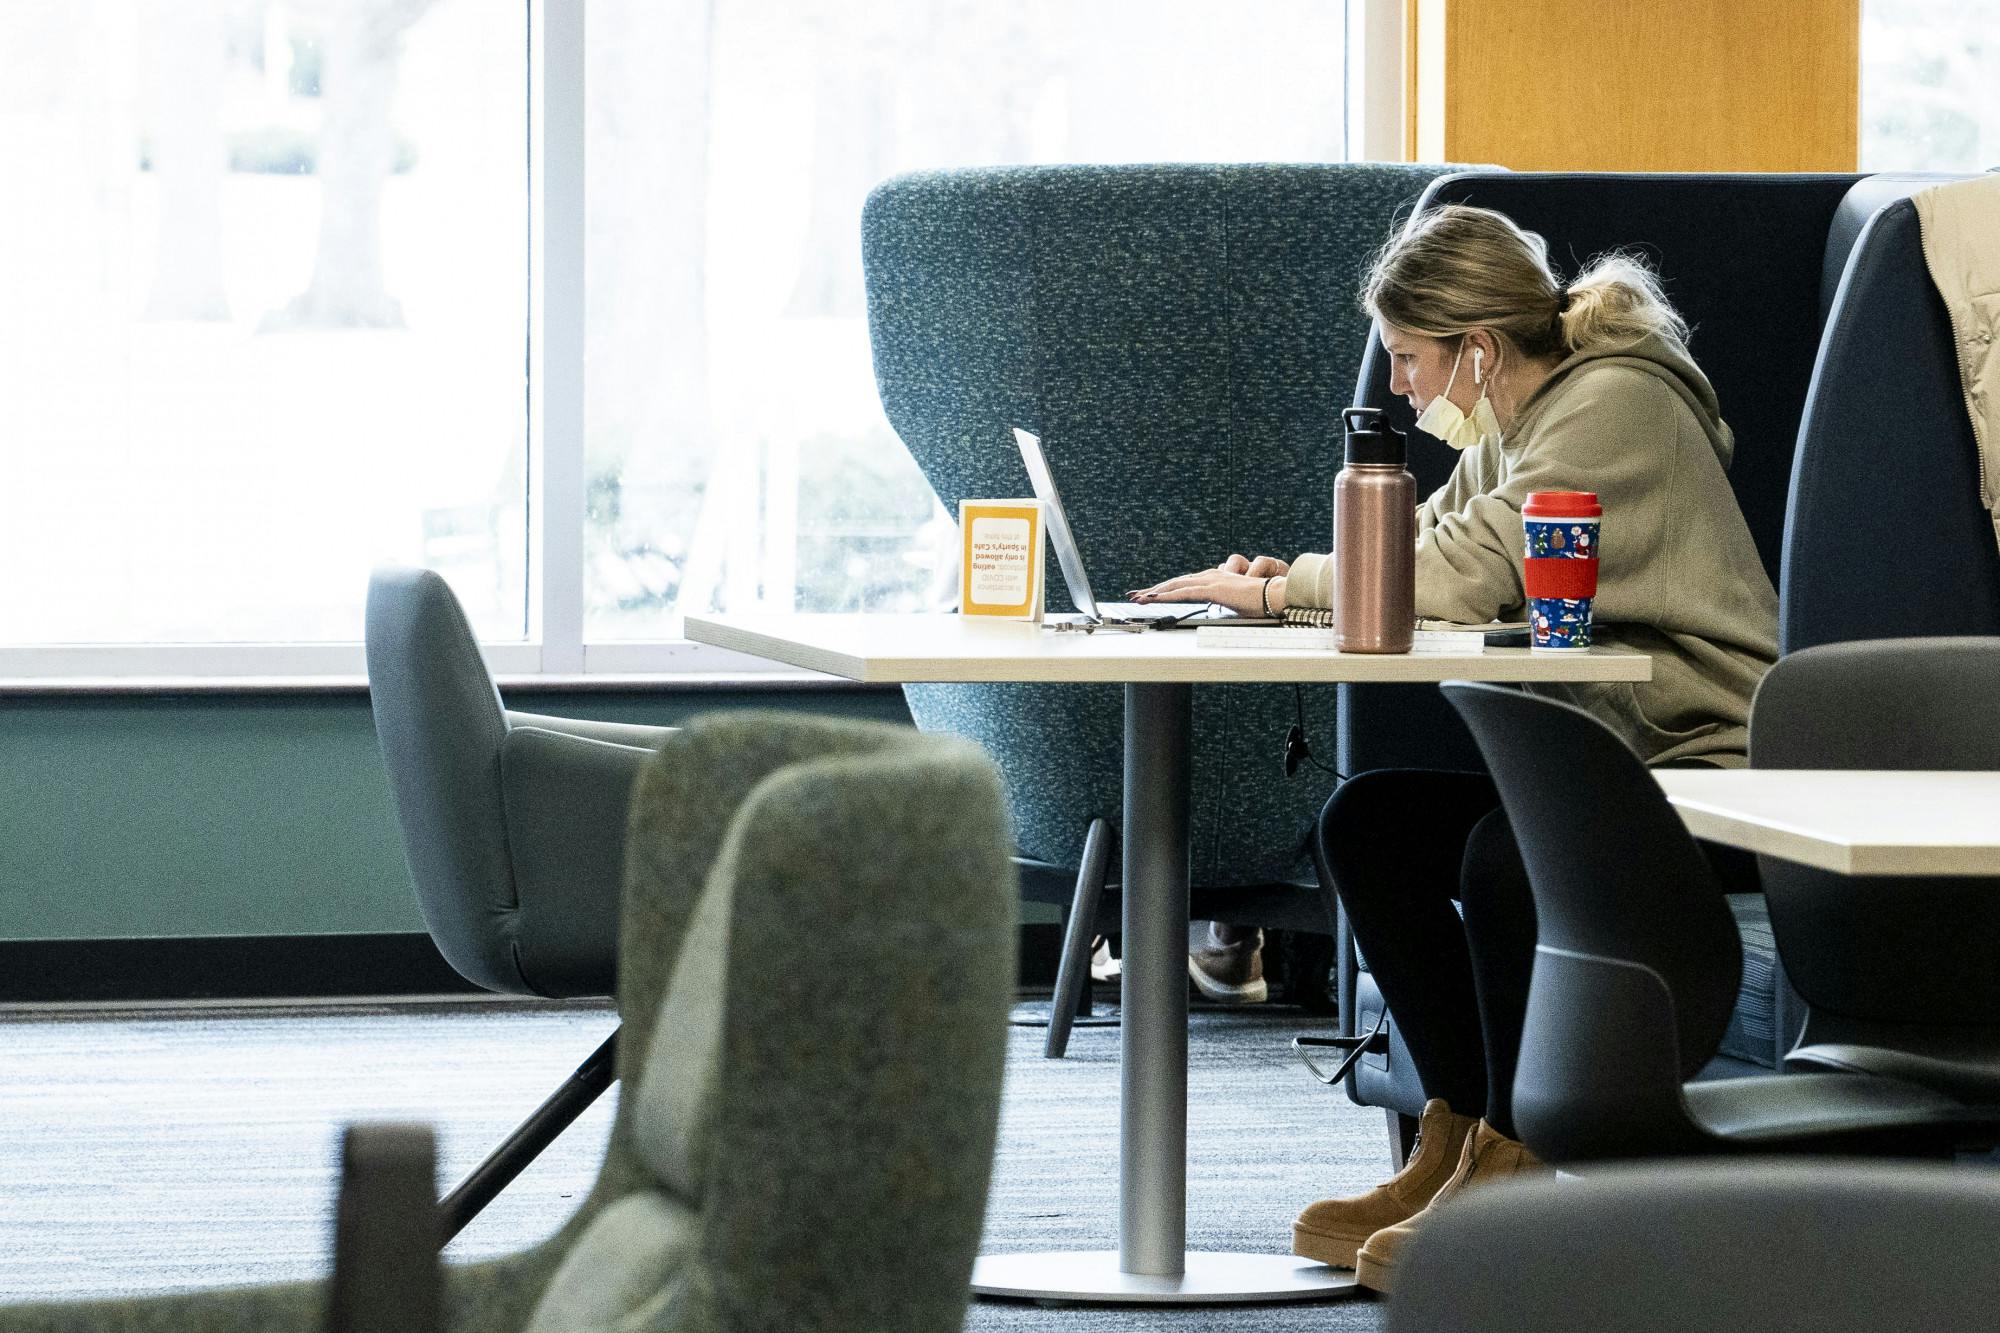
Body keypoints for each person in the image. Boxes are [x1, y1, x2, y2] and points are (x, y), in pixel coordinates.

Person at [1132, 204, 1777, 1293]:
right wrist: (1279, 590)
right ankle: (1457, 1138)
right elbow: (1430, 546)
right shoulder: (1520, 425)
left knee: (1498, 852)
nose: (1397, 388)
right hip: (1609, 760)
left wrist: (1271, 588)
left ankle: (1515, 1167)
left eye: (1407, 358)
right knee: (1370, 822)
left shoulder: (1608, 406)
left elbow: (1451, 580)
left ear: (1475, 349)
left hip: (1704, 769)